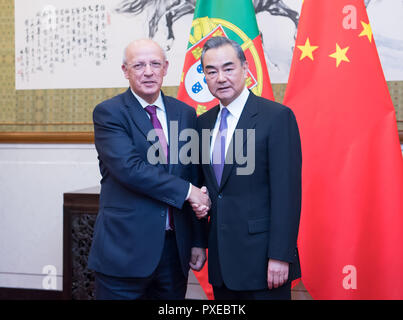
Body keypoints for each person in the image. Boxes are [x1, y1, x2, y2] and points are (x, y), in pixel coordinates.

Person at [88, 39, 210, 300]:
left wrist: (198, 240)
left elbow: (194, 175)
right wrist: (188, 191)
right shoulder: (109, 113)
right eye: (139, 65)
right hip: (123, 253)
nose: (148, 71)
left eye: (155, 64)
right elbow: (130, 169)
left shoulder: (185, 114)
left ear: (165, 68)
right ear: (125, 70)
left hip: (173, 253)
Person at [195, 36, 302, 300]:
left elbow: (286, 193)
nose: (221, 78)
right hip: (221, 262)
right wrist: (198, 241)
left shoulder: (276, 117)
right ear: (205, 78)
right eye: (212, 71)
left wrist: (280, 254)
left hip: (264, 262)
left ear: (246, 69)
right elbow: (205, 190)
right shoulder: (202, 124)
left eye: (228, 68)